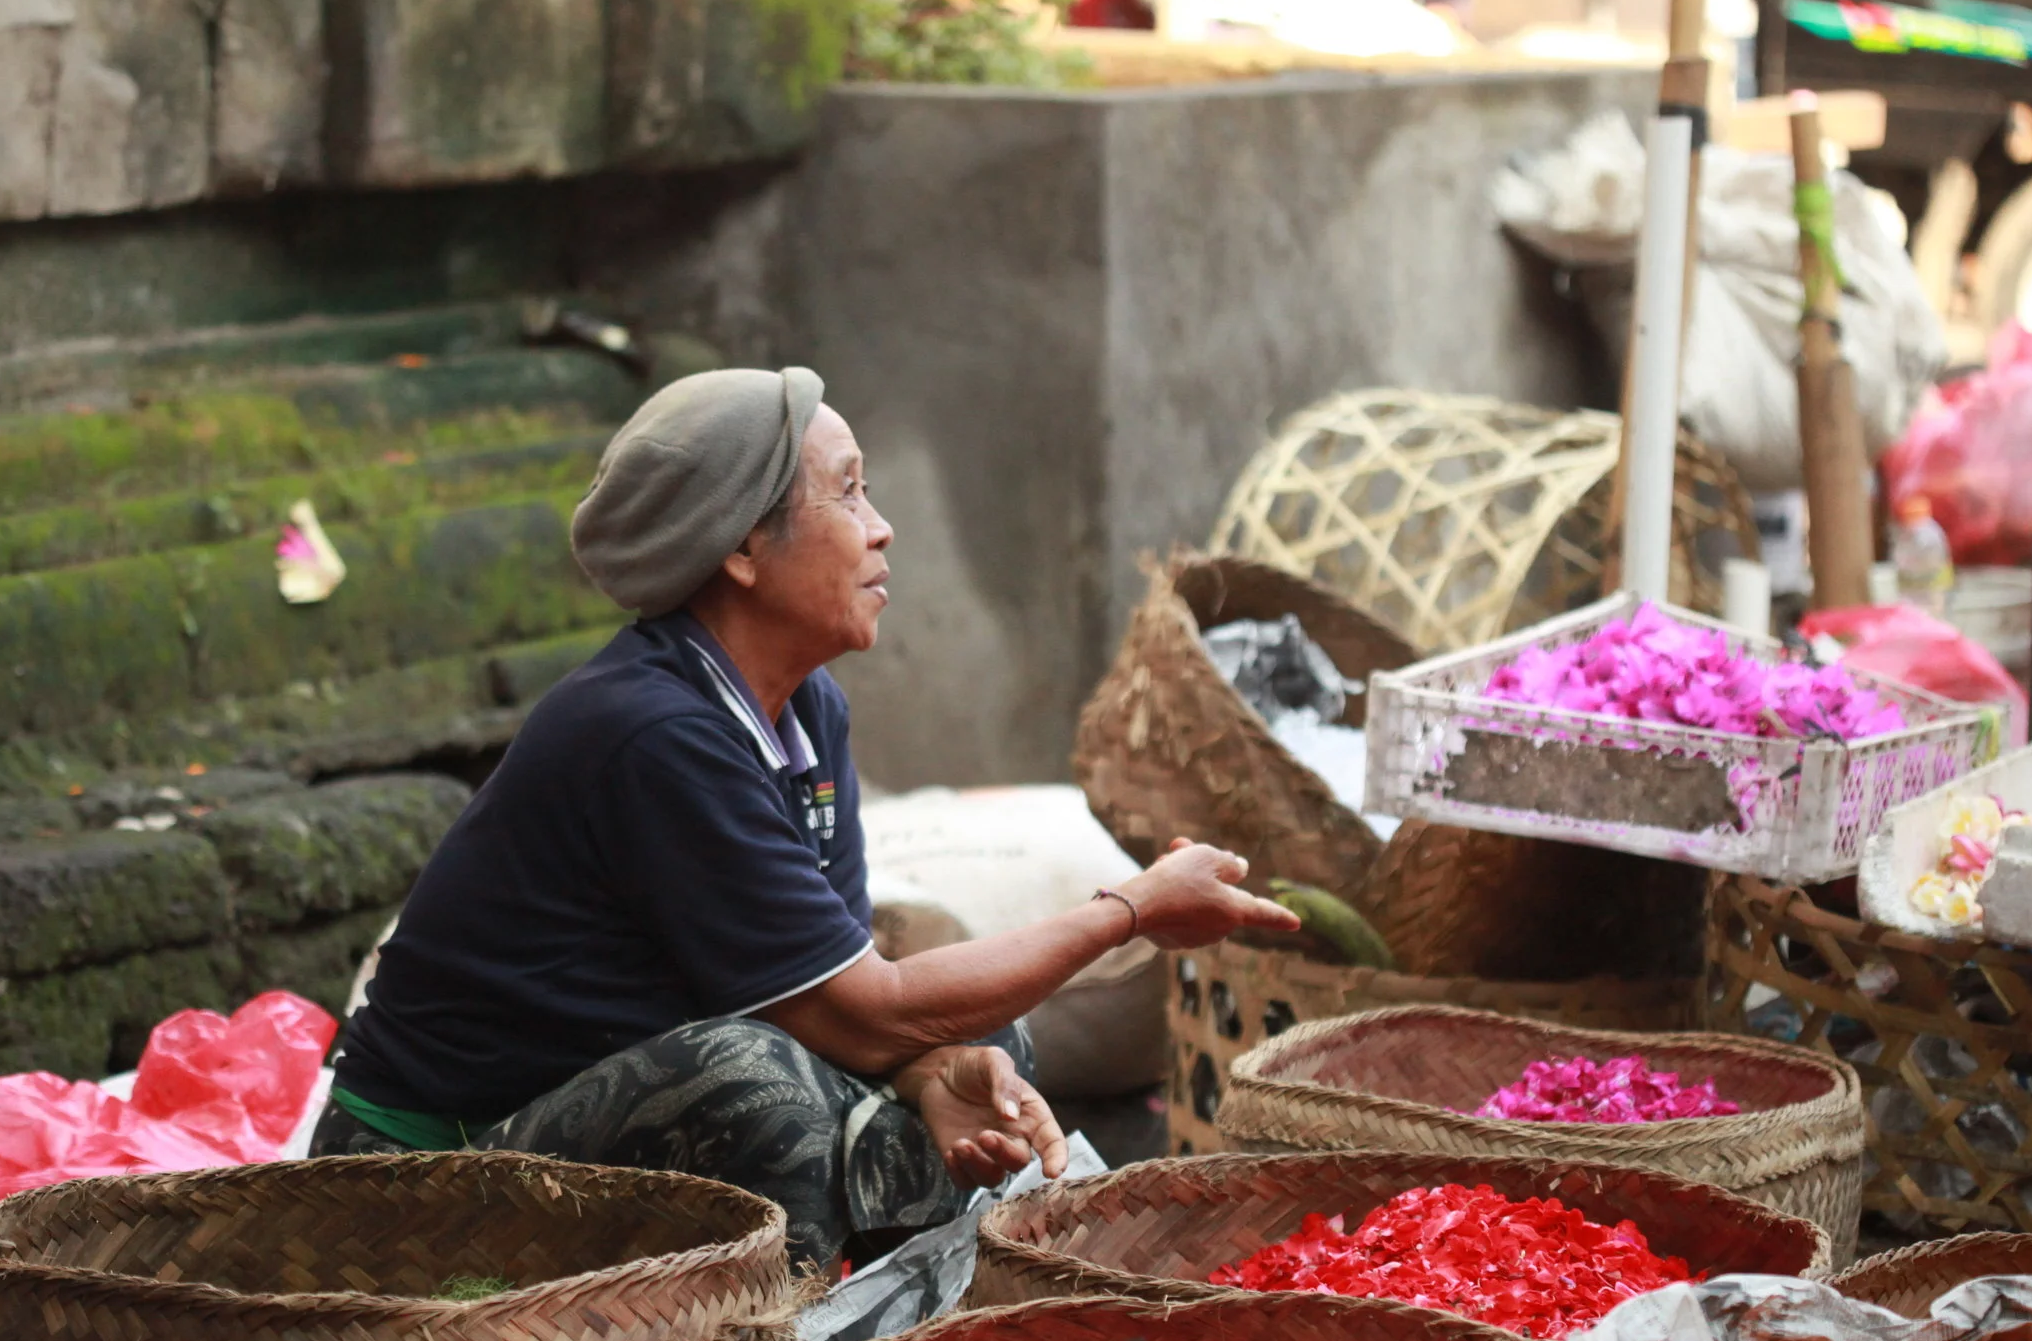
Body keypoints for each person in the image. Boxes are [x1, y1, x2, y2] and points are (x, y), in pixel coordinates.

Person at [313, 366, 1300, 1271]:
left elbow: (845, 981)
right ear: (742, 544)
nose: (883, 528)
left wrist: (928, 1076)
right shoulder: (649, 730)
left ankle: (872, 1299)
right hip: (424, 1174)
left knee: (984, 1049)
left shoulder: (803, 703)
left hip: (595, 1118)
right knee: (755, 1084)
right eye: (849, 490)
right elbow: (858, 1012)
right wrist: (1127, 910)